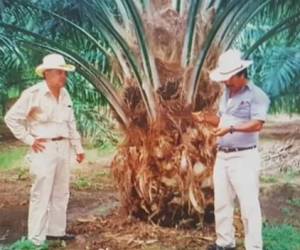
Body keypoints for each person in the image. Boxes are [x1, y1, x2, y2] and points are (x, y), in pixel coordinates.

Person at [4, 53, 85, 246]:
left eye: (64, 73)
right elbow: (11, 118)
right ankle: (36, 239)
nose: (63, 77)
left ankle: (56, 232)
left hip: (63, 146)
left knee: (61, 191)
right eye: (59, 73)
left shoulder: (65, 94)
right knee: (41, 192)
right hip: (43, 148)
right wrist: (29, 139)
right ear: (47, 74)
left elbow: (71, 122)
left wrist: (78, 148)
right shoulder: (33, 94)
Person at [193, 49, 270, 250]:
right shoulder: (226, 93)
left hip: (244, 157)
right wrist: (206, 118)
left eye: (228, 78)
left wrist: (232, 128)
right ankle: (225, 243)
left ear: (240, 74)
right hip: (223, 156)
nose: (225, 82)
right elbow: (222, 121)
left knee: (248, 205)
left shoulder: (257, 95)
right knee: (222, 202)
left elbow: (257, 124)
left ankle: (254, 247)